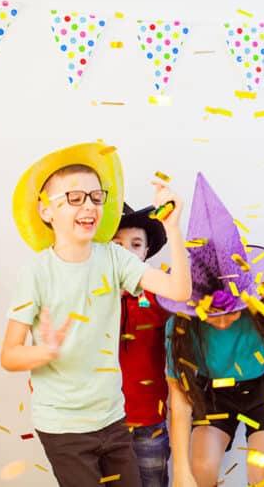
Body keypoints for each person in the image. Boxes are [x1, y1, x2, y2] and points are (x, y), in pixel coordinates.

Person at [1, 142, 191, 486]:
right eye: (74, 198)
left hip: (113, 420)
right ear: (46, 211)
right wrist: (46, 351)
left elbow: (179, 291)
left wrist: (174, 228)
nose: (88, 205)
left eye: (95, 197)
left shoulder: (115, 258)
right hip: (64, 428)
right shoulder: (36, 272)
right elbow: (9, 355)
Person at [162, 172, 264, 487]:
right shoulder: (179, 327)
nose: (222, 322)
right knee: (202, 467)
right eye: (213, 316)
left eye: (231, 314)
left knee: (260, 471)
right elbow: (179, 398)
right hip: (212, 394)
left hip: (262, 391)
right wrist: (181, 469)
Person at [113, 203, 171, 486]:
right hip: (103, 421)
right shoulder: (88, 295)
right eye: (117, 243)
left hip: (149, 419)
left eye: (136, 244)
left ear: (146, 252)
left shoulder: (160, 294)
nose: (126, 251)